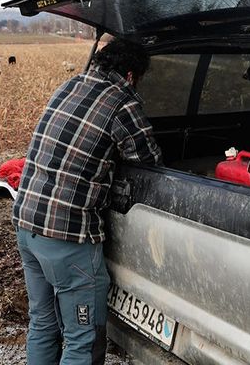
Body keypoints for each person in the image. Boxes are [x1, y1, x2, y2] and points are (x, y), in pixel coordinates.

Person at [13, 37, 163, 364]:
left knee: (43, 323)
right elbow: (149, 161)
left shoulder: (70, 85)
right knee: (83, 338)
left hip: (27, 225)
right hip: (68, 238)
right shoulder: (121, 102)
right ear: (131, 74)